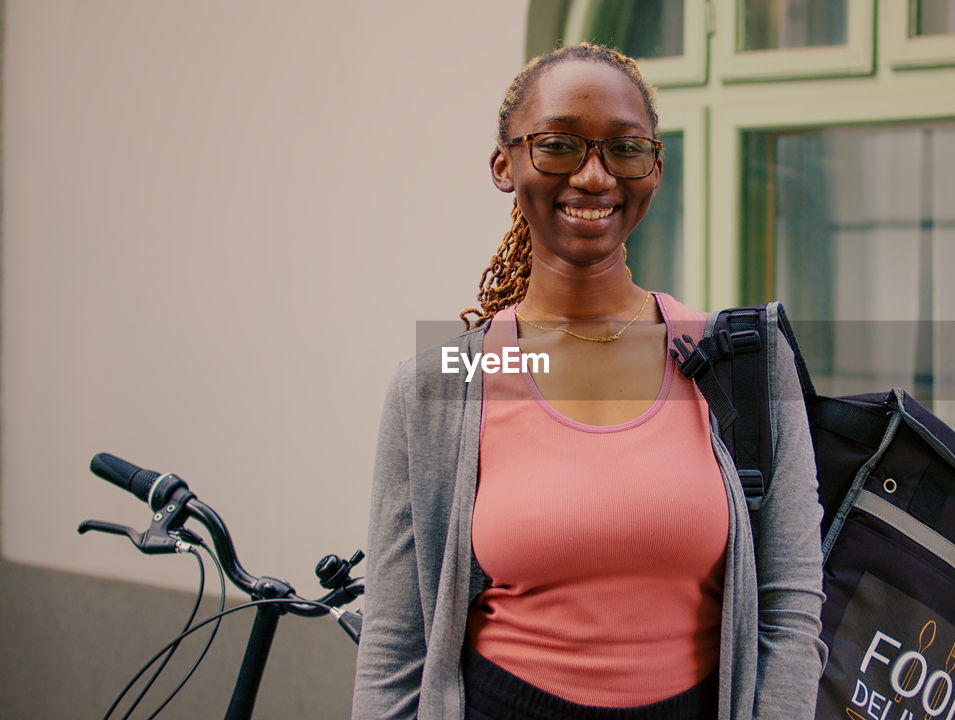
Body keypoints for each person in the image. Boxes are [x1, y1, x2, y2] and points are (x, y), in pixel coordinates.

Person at [352, 43, 826, 720]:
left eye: (624, 149)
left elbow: (789, 606)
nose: (595, 176)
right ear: (504, 164)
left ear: (655, 169)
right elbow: (397, 651)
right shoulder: (446, 382)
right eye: (559, 145)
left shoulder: (738, 361)